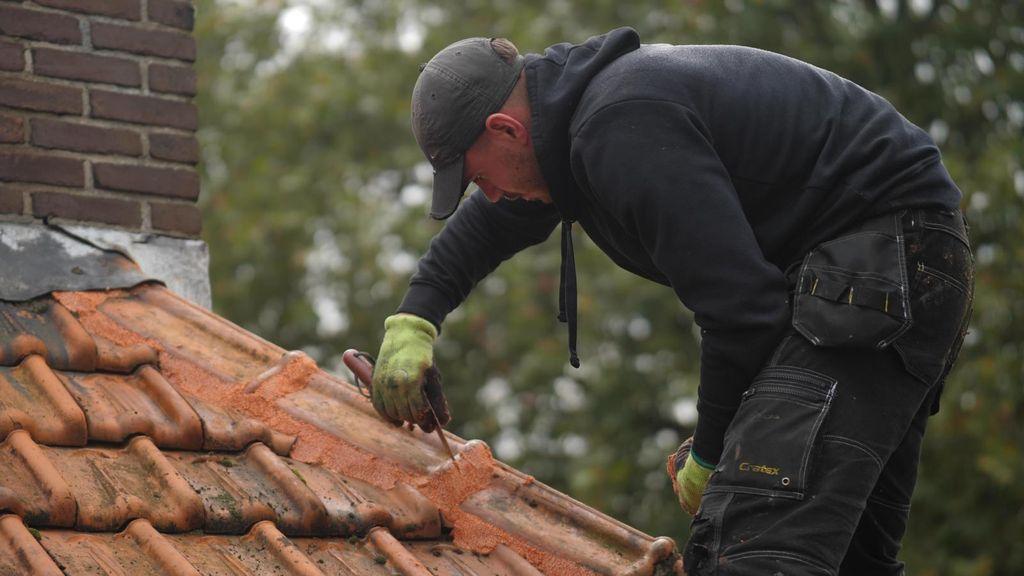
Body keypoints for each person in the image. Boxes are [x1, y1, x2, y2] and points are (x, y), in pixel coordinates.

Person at [369, 27, 973, 575]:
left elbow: (743, 313)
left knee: (751, 544)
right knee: (844, 560)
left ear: (506, 130)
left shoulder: (618, 127)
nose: (491, 196)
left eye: (478, 178)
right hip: (903, 270)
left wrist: (711, 454)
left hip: (875, 265)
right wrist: (415, 317)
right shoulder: (577, 125)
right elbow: (489, 226)